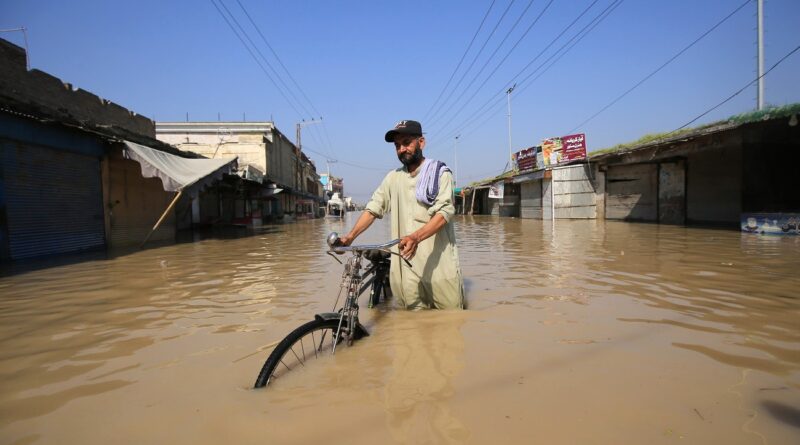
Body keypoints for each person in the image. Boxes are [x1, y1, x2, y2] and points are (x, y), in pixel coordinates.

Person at [338, 120, 464, 310]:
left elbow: (444, 213)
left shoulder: (440, 174)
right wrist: (349, 237)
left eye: (406, 143)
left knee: (449, 326)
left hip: (439, 268)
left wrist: (415, 237)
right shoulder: (392, 178)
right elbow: (373, 209)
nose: (401, 149)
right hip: (406, 271)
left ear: (421, 143)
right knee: (411, 330)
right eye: (397, 145)